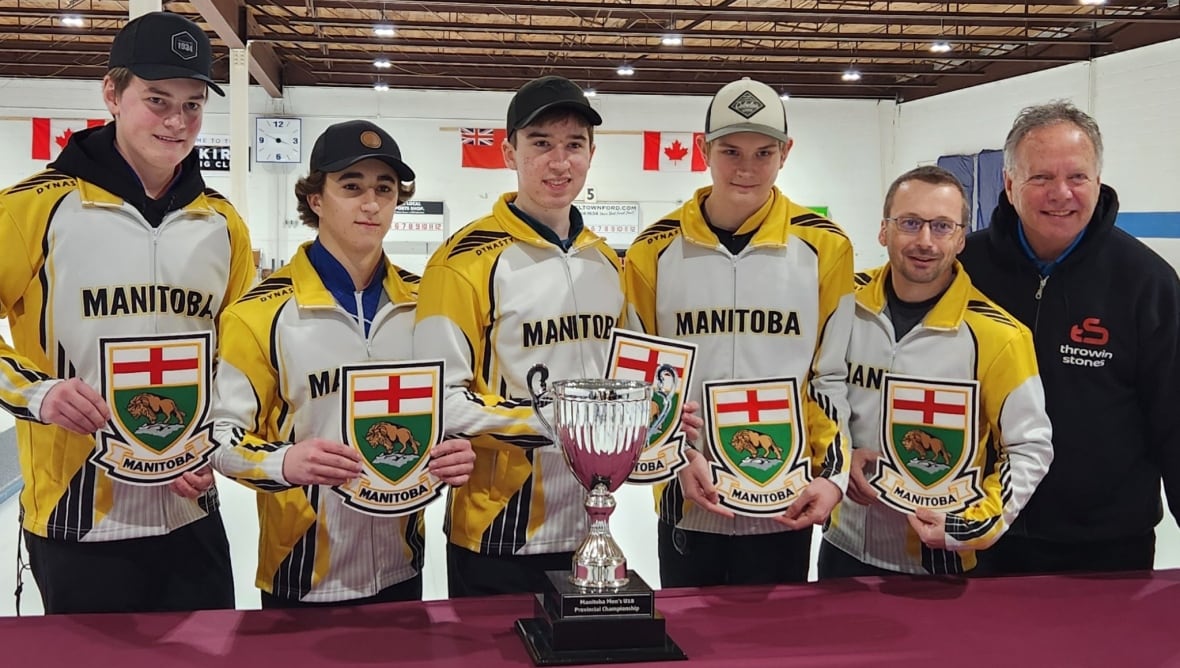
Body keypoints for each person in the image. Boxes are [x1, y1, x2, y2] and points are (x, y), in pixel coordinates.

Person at [0, 11, 252, 613]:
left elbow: (242, 360)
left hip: (191, 507)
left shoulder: (223, 223)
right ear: (112, 94)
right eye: (157, 99)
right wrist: (37, 394)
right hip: (78, 516)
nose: (176, 121)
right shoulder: (34, 208)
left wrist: (224, 442)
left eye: (193, 104)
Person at [415, 75, 702, 597]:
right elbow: (439, 399)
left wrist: (657, 415)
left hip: (589, 520)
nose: (558, 161)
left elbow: (627, 376)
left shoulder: (603, 261)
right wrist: (566, 422)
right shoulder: (463, 261)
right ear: (508, 152)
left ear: (592, 155)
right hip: (498, 529)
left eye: (574, 145)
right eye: (541, 143)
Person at [209, 120, 475, 607]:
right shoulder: (257, 314)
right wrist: (282, 461)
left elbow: (451, 406)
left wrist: (457, 446)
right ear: (316, 199)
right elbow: (220, 438)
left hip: (403, 568)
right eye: (351, 187)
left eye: (384, 189)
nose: (370, 204)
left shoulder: (429, 304)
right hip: (301, 573)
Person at [623, 77, 854, 586]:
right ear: (703, 148)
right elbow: (639, 382)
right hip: (689, 495)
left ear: (786, 152)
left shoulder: (826, 247)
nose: (746, 168)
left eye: (763, 151)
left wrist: (833, 475)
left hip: (785, 497)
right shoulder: (652, 250)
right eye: (730, 150)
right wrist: (675, 460)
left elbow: (829, 376)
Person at [958, 101, 1180, 575]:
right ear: (1010, 183)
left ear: (1098, 181)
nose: (1061, 193)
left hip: (1106, 545)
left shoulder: (1148, 283)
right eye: (1041, 178)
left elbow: (1174, 419)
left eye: (1077, 177)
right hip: (980, 530)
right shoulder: (961, 272)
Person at [819, 166, 1054, 577]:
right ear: (883, 231)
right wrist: (837, 458)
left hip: (939, 558)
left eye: (942, 226)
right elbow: (816, 393)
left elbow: (1030, 447)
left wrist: (976, 522)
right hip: (841, 545)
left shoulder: (999, 335)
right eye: (910, 223)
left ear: (962, 237)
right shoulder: (841, 303)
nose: (925, 241)